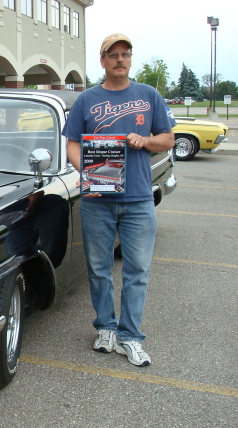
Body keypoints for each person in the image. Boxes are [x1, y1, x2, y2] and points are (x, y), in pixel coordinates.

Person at [62, 33, 176, 366]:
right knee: (98, 269)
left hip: (139, 199)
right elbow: (71, 142)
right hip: (98, 197)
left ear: (130, 59)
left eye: (126, 54)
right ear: (103, 60)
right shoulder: (87, 100)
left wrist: (145, 141)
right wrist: (88, 170)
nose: (120, 60)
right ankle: (105, 328)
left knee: (136, 271)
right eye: (113, 55)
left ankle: (130, 336)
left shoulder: (149, 96)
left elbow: (168, 139)